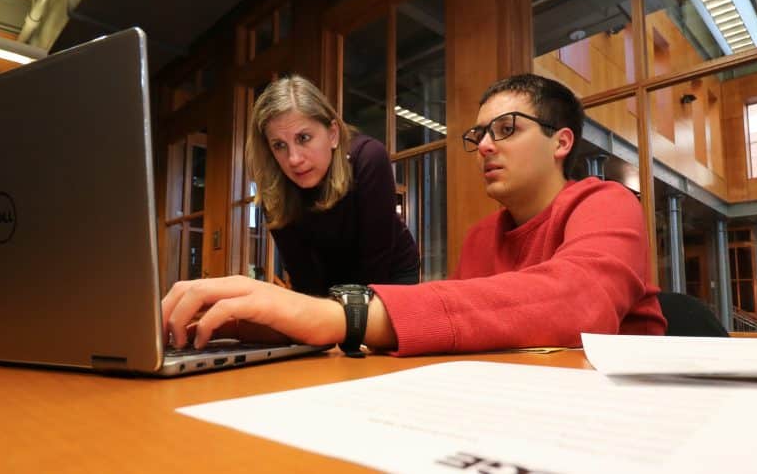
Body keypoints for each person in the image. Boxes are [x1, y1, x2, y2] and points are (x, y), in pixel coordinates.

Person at [162, 73, 666, 356]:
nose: (485, 146)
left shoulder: (608, 202)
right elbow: (468, 333)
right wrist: (261, 320)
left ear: (562, 142)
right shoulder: (479, 238)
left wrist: (345, 315)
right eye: (479, 135)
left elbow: (579, 304)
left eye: (506, 129)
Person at [241, 75, 419, 296]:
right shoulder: (274, 190)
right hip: (328, 282)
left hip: (389, 276)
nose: (294, 159)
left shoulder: (368, 158)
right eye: (279, 145)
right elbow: (302, 276)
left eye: (304, 138)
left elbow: (375, 268)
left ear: (333, 134)